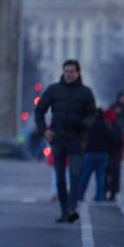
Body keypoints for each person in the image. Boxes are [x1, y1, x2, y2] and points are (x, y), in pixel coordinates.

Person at [34, 60, 97, 223]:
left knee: (75, 174)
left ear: (78, 73)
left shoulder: (85, 92)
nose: (68, 74)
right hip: (58, 139)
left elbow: (92, 114)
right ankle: (64, 210)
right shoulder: (54, 90)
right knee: (60, 177)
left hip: (77, 139)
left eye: (72, 71)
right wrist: (44, 131)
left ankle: (72, 207)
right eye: (66, 71)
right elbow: (39, 110)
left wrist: (85, 124)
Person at [77, 110, 117, 202]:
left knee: (85, 175)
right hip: (103, 154)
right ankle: (100, 196)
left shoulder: (90, 127)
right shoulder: (107, 127)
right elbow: (113, 140)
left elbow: (83, 138)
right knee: (100, 176)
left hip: (90, 153)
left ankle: (80, 195)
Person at [105, 92, 124, 199]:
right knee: (111, 171)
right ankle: (109, 190)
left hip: (114, 151)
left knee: (111, 172)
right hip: (113, 151)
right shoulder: (113, 107)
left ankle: (110, 191)